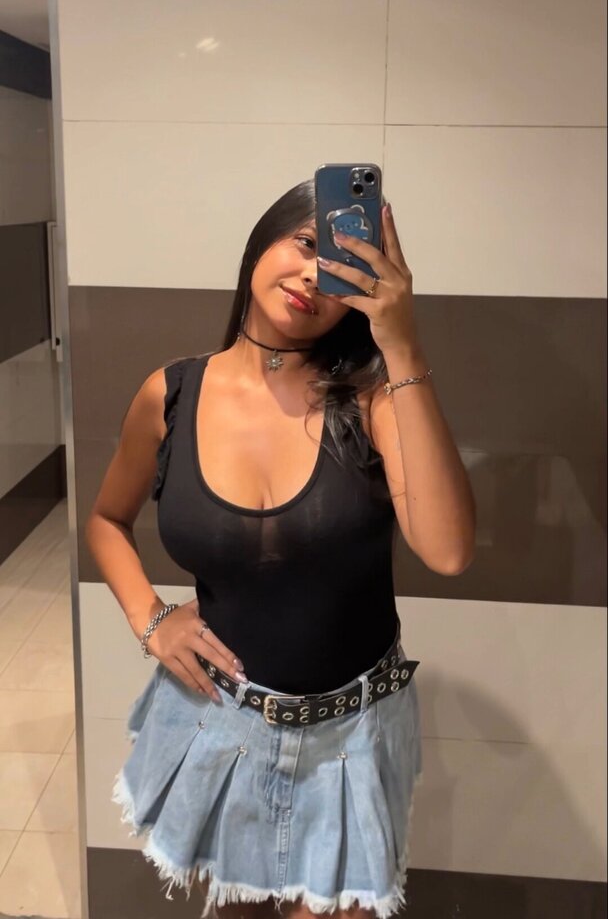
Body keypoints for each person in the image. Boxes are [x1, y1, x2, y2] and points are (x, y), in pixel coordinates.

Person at [86, 179, 476, 919]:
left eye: (342, 268)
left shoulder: (372, 401)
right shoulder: (169, 395)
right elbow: (106, 520)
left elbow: (449, 550)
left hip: (352, 734)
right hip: (220, 720)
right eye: (305, 244)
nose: (312, 277)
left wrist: (402, 344)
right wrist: (151, 620)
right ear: (263, 239)